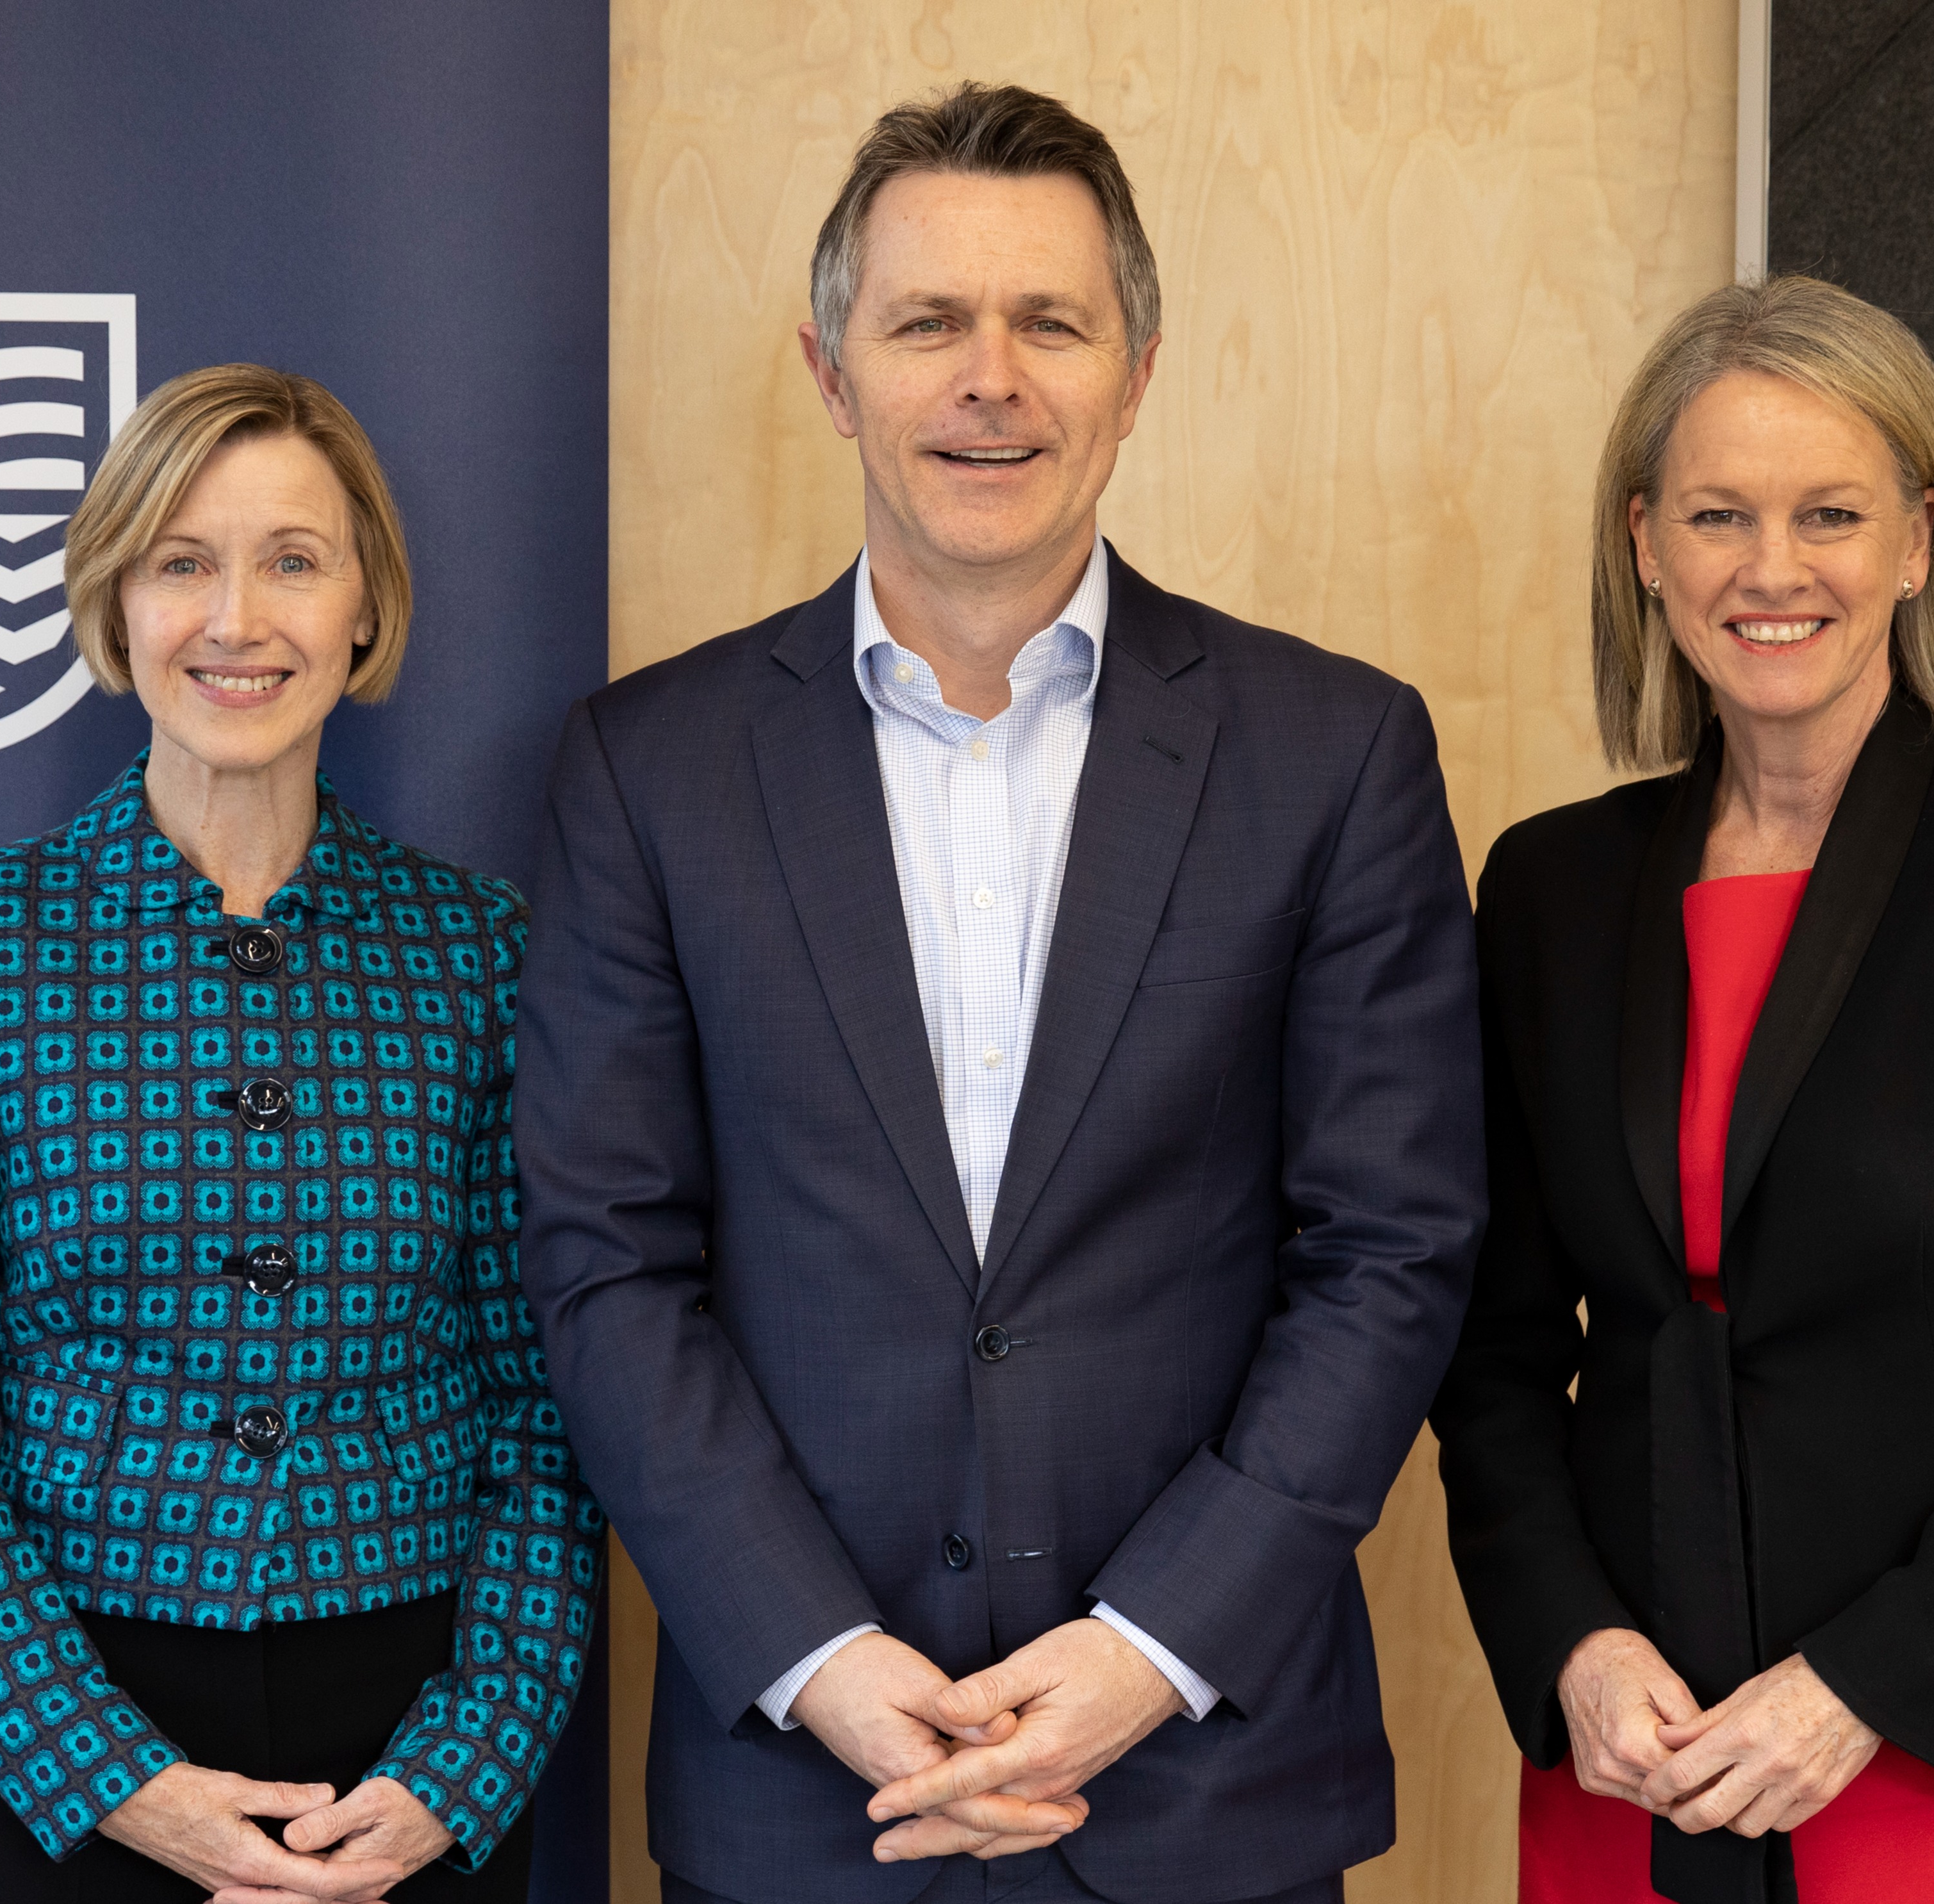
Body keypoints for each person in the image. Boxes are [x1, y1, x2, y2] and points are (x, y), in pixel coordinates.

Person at [516, 82, 1486, 1904]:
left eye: (1052, 320)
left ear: (1136, 367)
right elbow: (605, 1258)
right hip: (810, 1795)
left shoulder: (1333, 750)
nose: (993, 377)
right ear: (829, 370)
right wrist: (818, 1655)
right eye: (927, 323)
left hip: (1205, 1781)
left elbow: (1391, 1244)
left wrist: (1152, 1646)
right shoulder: (650, 766)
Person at [1429, 276, 1934, 1904]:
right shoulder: (1551, 889)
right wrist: (1572, 1644)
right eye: (1720, 513)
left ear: (1920, 540)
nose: (1772, 568)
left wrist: (1864, 1687)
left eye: (1832, 513)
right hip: (1638, 1749)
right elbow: (1490, 1353)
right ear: (1646, 543)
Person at [0, 364, 602, 1903]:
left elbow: (550, 1412)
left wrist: (467, 1764)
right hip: (58, 1752)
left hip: (404, 1765)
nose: (236, 618)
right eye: (181, 562)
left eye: (293, 561)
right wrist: (111, 1778)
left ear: (365, 610)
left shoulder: (478, 950)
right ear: (115, 607)